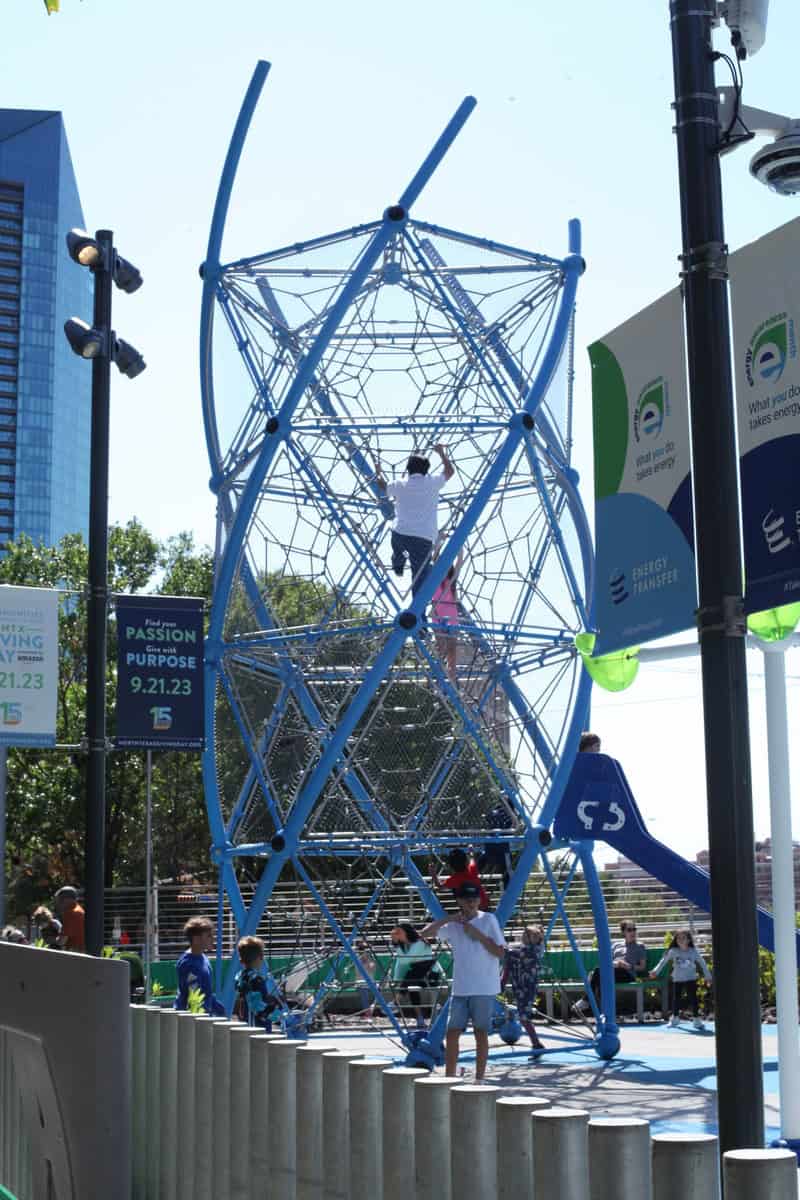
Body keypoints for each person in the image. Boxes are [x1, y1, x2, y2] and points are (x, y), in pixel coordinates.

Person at [423, 882, 506, 1081]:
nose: (472, 903)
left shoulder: (489, 919)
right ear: (459, 901)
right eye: (467, 899)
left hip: (484, 988)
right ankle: (450, 1077)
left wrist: (478, 935)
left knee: (480, 1033)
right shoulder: (453, 925)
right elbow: (425, 933)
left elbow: (500, 952)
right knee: (452, 1033)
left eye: (475, 899)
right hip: (460, 988)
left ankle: (479, 1078)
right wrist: (450, 918)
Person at [374, 445, 455, 600]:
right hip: (424, 538)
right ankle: (417, 611)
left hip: (401, 533)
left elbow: (383, 486)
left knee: (398, 548)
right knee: (419, 575)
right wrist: (441, 453)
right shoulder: (433, 482)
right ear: (426, 470)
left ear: (409, 469)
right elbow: (450, 471)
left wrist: (378, 471)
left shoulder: (400, 484)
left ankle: (398, 563)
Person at [573, 918, 647, 1016]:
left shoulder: (640, 946)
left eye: (634, 929)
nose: (633, 932)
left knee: (599, 973)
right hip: (613, 970)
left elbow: (642, 967)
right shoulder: (616, 945)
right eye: (629, 930)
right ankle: (604, 1013)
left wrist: (628, 966)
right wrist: (614, 964)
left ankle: (586, 1000)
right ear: (624, 932)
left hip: (627, 974)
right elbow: (607, 961)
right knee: (602, 980)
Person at [649, 929, 712, 1029]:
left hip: (691, 978)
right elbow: (663, 961)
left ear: (688, 940)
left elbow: (702, 963)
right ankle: (675, 1018)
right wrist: (655, 971)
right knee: (676, 1000)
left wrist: (708, 976)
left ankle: (696, 1019)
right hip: (677, 979)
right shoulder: (673, 951)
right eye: (678, 938)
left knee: (693, 999)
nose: (681, 940)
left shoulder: (693, 951)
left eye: (683, 938)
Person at [502, 925, 546, 1058]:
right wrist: (503, 981)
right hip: (519, 987)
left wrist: (501, 949)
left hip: (527, 988)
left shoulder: (535, 951)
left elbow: (513, 954)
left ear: (537, 939)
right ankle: (536, 1043)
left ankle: (536, 1043)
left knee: (524, 1017)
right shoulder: (519, 950)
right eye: (525, 934)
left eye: (530, 936)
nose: (525, 937)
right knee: (523, 1017)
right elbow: (508, 964)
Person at [390, 922, 444, 1028]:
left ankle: (396, 1003)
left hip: (430, 972)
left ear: (406, 932)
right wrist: (396, 979)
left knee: (411, 978)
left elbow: (406, 960)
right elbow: (400, 962)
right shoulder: (405, 945)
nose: (397, 935)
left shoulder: (419, 943)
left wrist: (396, 945)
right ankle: (419, 1018)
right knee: (411, 985)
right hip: (416, 973)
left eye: (398, 932)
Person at [174, 915, 226, 1016]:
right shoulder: (188, 963)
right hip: (192, 1019)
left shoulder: (203, 958)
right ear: (196, 939)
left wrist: (217, 1008)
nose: (213, 939)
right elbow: (193, 997)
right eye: (209, 936)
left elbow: (207, 992)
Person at [234, 935, 281, 1030]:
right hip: (256, 1027)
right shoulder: (256, 979)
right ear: (261, 957)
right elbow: (258, 1006)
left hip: (245, 1023)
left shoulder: (241, 976)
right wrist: (279, 1015)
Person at [432, 550, 463, 683]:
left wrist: (460, 547)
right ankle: (437, 677)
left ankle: (451, 679)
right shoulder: (435, 578)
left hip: (451, 617)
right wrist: (438, 543)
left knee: (452, 651)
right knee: (441, 648)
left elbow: (460, 562)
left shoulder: (451, 580)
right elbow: (434, 559)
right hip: (438, 617)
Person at [478, 800, 515, 890]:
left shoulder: (494, 812)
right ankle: (509, 889)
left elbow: (487, 818)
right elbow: (513, 826)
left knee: (482, 861)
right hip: (503, 846)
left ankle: (471, 876)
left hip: (490, 843)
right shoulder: (510, 815)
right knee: (507, 870)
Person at [54, 886, 85, 953]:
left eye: (59, 900)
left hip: (75, 953)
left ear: (66, 900)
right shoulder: (79, 910)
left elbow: (62, 941)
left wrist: (52, 940)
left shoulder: (71, 913)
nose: (58, 904)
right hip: (81, 951)